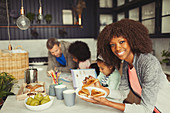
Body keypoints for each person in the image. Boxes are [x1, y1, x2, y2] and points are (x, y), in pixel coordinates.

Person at [80, 19, 170, 113]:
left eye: (122, 42)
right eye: (112, 45)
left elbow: (146, 109)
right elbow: (122, 93)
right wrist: (101, 89)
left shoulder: (148, 63)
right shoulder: (127, 64)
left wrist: (106, 103)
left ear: (131, 40)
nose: (117, 48)